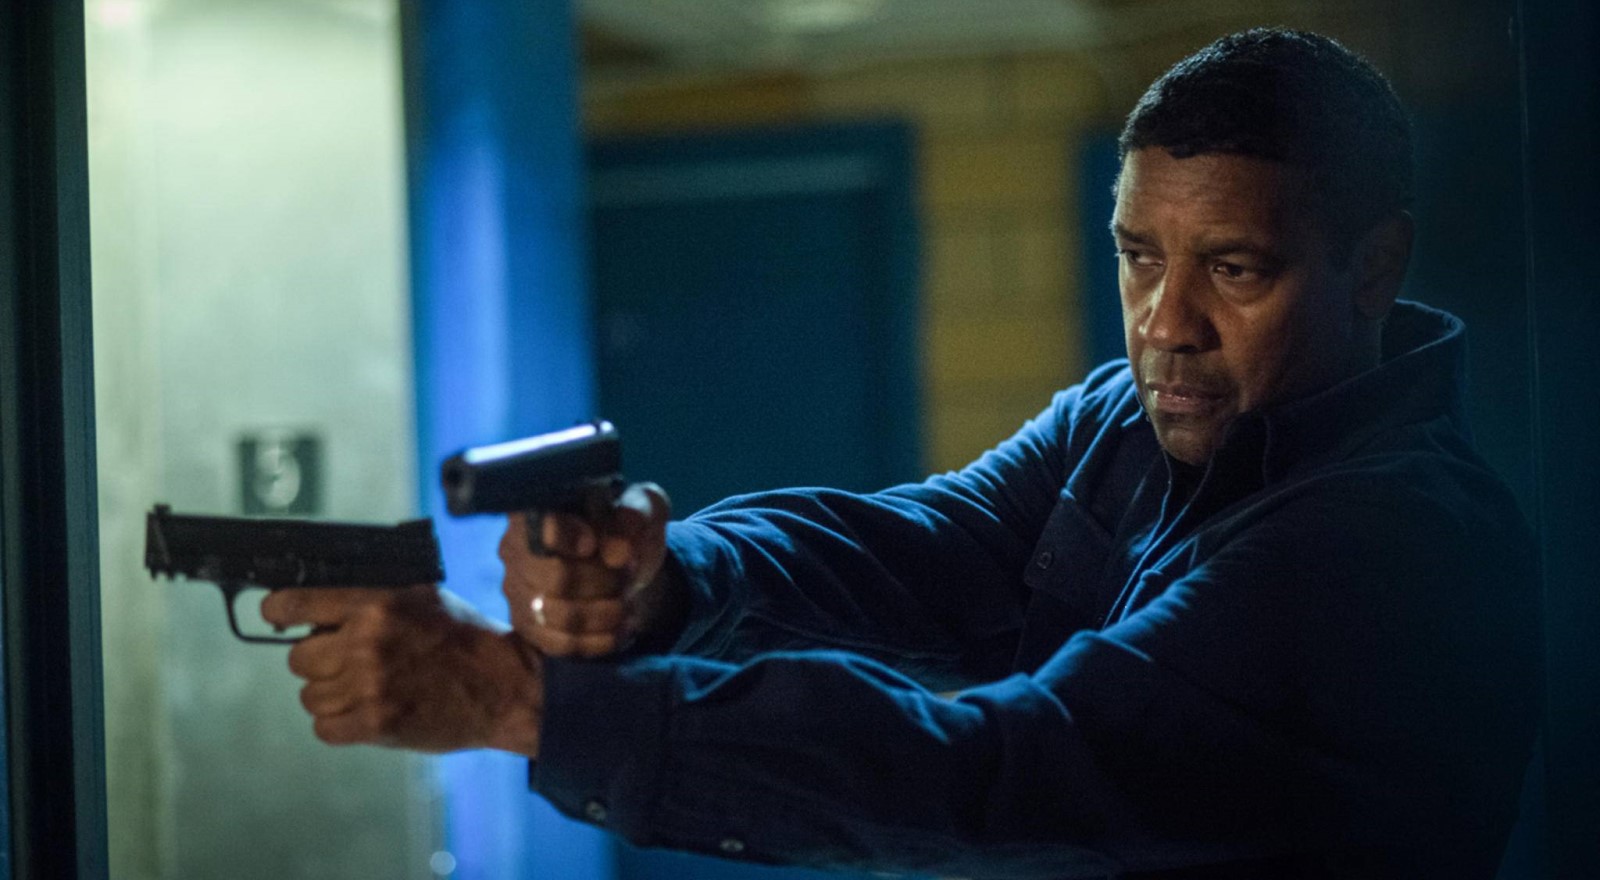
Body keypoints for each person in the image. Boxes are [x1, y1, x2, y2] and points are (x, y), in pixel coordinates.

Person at [262, 28, 1541, 877]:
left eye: (1235, 270)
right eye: (1137, 257)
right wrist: (670, 578)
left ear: (1372, 268)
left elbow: (1004, 771)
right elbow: (919, 545)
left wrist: (519, 703)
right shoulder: (1122, 420)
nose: (1165, 323)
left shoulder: (1394, 542)